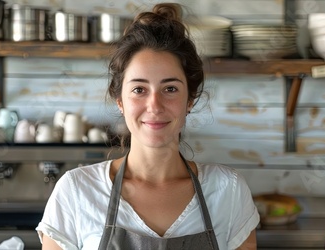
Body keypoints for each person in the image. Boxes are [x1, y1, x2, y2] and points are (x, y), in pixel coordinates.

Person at [36, 3, 260, 250]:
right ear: (120, 101)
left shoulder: (228, 189)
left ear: (190, 100)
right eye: (139, 89)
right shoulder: (77, 191)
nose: (154, 105)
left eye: (170, 89)